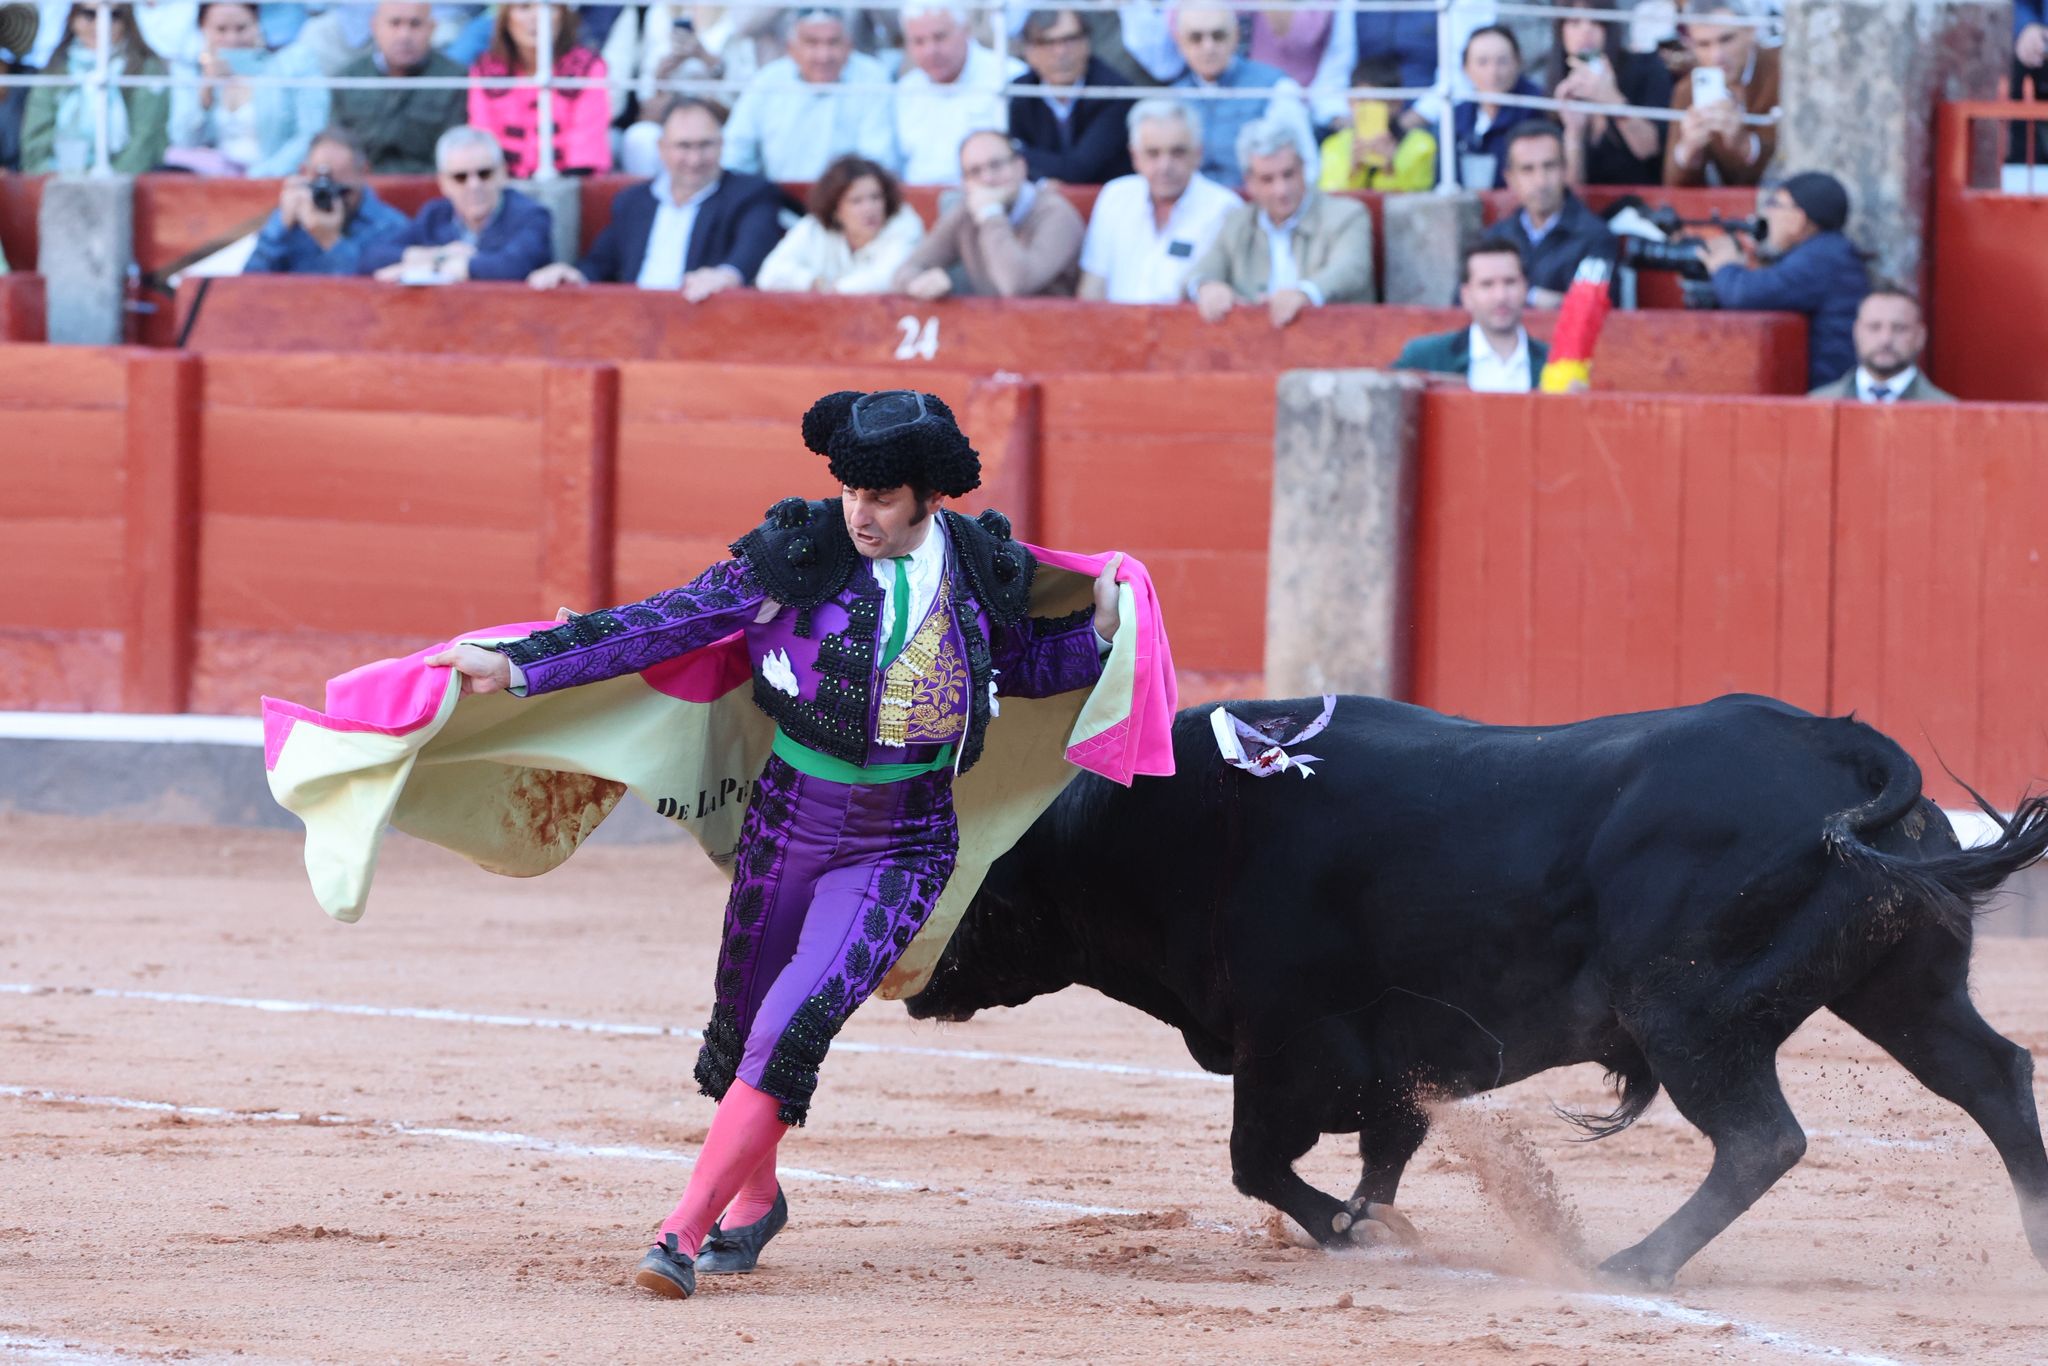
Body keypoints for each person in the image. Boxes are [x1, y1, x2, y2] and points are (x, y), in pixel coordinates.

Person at [424, 389, 1123, 1301]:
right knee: (745, 1021)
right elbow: (670, 620)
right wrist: (521, 666)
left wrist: (1102, 631)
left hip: (905, 838)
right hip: (787, 819)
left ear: (928, 496)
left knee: (796, 1023)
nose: (859, 513)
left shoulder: (982, 566)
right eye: (850, 491)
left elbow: (1022, 665)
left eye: (880, 497)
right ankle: (757, 1202)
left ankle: (680, 1231)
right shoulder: (801, 552)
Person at [528, 98, 783, 294]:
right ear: (662, 148)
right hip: (635, 322)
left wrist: (726, 277)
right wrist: (571, 275)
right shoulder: (633, 201)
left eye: (705, 145)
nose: (694, 159)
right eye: (684, 146)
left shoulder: (750, 194)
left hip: (704, 320)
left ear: (722, 145)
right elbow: (600, 263)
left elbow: (750, 250)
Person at [1189, 116, 1374, 326]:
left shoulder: (1346, 214)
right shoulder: (1236, 222)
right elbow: (1199, 271)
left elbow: (1350, 269)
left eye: (1288, 174)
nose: (1281, 190)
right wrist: (1207, 286)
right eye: (1267, 179)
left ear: (1303, 169)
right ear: (1250, 182)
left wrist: (1305, 293)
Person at [1697, 170, 1867, 390]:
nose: (1768, 213)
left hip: (1829, 390)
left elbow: (1743, 294)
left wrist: (1724, 266)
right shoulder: (1828, 252)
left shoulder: (1820, 258)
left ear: (1799, 217)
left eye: (1775, 204)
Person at [1077, 98, 1239, 304]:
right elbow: (1093, 286)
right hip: (1116, 331)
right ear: (1135, 157)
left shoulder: (1224, 207)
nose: (1165, 165)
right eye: (1153, 153)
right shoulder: (1115, 196)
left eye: (1177, 152)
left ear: (1198, 154)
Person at [893, 129, 1085, 299]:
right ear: (964, 183)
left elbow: (1017, 285)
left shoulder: (1056, 214)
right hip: (987, 331)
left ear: (1020, 166)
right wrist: (918, 283)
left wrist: (991, 214)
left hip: (1051, 331)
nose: (988, 178)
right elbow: (907, 269)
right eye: (975, 171)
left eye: (996, 165)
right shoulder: (965, 211)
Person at [361, 124, 554, 282]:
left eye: (484, 173)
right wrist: (439, 256)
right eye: (461, 177)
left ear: (503, 173)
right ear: (444, 183)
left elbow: (512, 267)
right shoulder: (435, 215)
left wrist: (430, 267)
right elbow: (372, 257)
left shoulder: (531, 215)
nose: (474, 185)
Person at [720, 8, 893, 182]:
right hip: (777, 199)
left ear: (849, 46)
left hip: (850, 199)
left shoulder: (872, 77)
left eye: (833, 43)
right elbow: (736, 152)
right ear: (791, 49)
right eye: (812, 43)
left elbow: (878, 159)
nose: (823, 56)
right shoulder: (768, 80)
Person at [166, 1, 326, 176]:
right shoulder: (191, 73)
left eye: (241, 28)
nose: (232, 39)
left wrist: (258, 176)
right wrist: (207, 89)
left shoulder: (294, 63)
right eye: (221, 29)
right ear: (202, 29)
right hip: (214, 184)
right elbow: (183, 140)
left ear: (257, 23)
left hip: (275, 182)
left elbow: (311, 134)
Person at [1168, 4, 1314, 189]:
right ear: (1179, 41)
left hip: (1257, 211)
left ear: (1236, 35)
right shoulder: (1174, 99)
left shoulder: (1274, 87)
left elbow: (1306, 167)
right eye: (1196, 38)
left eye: (1218, 36)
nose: (1208, 47)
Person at [19, 3, 169, 174]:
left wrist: (103, 183)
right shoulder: (56, 68)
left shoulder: (146, 69)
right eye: (89, 14)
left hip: (125, 185)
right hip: (58, 183)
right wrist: (58, 178)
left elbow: (144, 141)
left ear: (127, 20)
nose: (100, 24)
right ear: (73, 18)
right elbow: (35, 140)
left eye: (114, 15)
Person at [1478, 122, 1616, 307]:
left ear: (1564, 170)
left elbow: (1591, 311)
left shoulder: (1596, 237)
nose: (1540, 181)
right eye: (1528, 169)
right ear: (1510, 179)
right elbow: (1466, 302)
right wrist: (1535, 297)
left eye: (1549, 166)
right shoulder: (1495, 237)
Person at [468, 2, 610, 177]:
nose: (537, 17)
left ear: (563, 15)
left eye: (549, 7)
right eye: (524, 7)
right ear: (506, 17)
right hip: (501, 185)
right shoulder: (485, 69)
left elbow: (587, 141)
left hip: (571, 183)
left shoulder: (588, 67)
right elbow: (484, 135)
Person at [243, 125, 408, 275]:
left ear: (363, 172)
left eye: (340, 191)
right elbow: (248, 287)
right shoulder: (292, 220)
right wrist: (279, 227)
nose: (329, 197)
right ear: (304, 172)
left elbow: (375, 295)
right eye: (320, 187)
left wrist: (330, 240)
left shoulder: (391, 226)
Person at [892, 1, 1023, 187]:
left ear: (966, 31)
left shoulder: (1009, 76)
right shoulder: (905, 89)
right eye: (919, 41)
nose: (931, 51)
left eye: (940, 37)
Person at [329, 1, 468, 174]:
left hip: (432, 188)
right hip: (362, 191)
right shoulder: (348, 78)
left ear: (432, 28)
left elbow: (456, 152)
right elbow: (336, 146)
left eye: (415, 24)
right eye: (395, 23)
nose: (404, 35)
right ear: (375, 27)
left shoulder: (454, 78)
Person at [1391, 241, 1549, 392]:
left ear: (1525, 288)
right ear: (1466, 296)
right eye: (1487, 284)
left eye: (1510, 282)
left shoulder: (1553, 360)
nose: (1501, 296)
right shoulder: (1425, 358)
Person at [755, 155, 925, 294]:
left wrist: (834, 290)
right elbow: (769, 274)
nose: (869, 208)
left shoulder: (904, 225)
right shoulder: (814, 227)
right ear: (836, 209)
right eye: (856, 201)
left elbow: (888, 278)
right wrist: (813, 282)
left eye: (876, 197)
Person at [1546, 0, 1671, 186]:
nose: (1586, 30)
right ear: (1561, 31)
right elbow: (1567, 192)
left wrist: (1611, 99)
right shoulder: (1557, 88)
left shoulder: (1646, 68)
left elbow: (1649, 149)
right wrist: (1573, 134)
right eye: (1574, 22)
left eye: (1596, 22)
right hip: (1587, 209)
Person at [1009, 8, 1133, 185]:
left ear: (1087, 43)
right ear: (1028, 52)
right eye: (1047, 42)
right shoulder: (1018, 92)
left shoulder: (1115, 92)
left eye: (1070, 39)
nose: (1060, 52)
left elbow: (1079, 169)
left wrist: (1018, 154)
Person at [1663, 0, 1777, 187]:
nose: (1717, 55)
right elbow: (1674, 187)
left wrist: (1745, 145)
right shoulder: (1687, 90)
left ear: (1750, 32)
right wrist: (1689, 152)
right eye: (1703, 44)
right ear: (1691, 46)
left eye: (1726, 39)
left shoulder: (1782, 70)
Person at [1807, 287, 1955, 403]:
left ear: (1920, 336)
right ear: (1856, 332)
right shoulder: (1816, 405)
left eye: (1899, 328)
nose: (1886, 339)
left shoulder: (1950, 412)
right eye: (1874, 327)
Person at [1317, 52, 1437, 193]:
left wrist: (1389, 170)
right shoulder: (1333, 146)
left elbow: (1418, 202)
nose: (1370, 109)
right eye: (1362, 101)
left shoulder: (1421, 145)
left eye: (1379, 101)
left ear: (1397, 104)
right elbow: (1331, 201)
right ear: (1350, 103)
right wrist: (1354, 171)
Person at [1449, 24, 1540, 189]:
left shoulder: (1537, 109)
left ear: (1518, 63)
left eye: (1502, 61)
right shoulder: (1456, 116)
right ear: (1466, 69)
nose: (1493, 72)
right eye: (1482, 62)